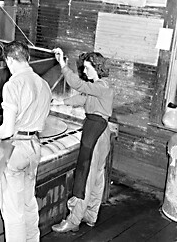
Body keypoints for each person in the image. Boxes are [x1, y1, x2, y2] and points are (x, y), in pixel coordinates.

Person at [0, 41, 52, 241]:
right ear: (27, 58)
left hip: (14, 148)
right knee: (28, 202)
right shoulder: (43, 83)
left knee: (12, 210)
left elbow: (7, 129)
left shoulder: (13, 85)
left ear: (8, 60)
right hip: (34, 146)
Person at [51, 48, 114, 232]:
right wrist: (60, 102)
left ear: (97, 68)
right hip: (100, 131)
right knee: (96, 177)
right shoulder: (99, 87)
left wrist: (63, 64)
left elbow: (79, 86)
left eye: (87, 68)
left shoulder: (102, 86)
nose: (84, 71)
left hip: (95, 132)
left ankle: (73, 220)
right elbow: (83, 98)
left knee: (85, 176)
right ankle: (90, 214)